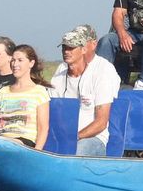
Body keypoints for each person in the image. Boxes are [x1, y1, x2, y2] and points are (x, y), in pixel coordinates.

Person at [51, 25, 121, 156]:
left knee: (75, 151)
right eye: (64, 47)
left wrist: (74, 137)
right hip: (61, 136)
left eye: (71, 47)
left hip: (92, 138)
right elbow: (53, 109)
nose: (66, 51)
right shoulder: (60, 70)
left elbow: (101, 122)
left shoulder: (104, 71)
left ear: (87, 46)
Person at [0, 44, 51, 150]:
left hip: (25, 144)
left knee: (10, 145)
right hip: (3, 141)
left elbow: (43, 128)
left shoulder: (39, 92)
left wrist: (37, 152)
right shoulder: (3, 92)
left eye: (20, 60)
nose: (15, 64)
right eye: (13, 60)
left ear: (31, 63)